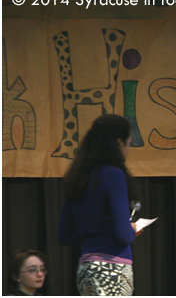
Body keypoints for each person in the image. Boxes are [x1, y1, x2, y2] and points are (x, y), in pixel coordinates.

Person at [58, 114, 141, 296]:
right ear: (119, 143)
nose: (128, 150)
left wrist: (95, 231)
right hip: (112, 269)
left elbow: (64, 235)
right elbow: (123, 235)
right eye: (128, 143)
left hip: (86, 269)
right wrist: (132, 228)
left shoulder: (77, 178)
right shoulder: (113, 175)